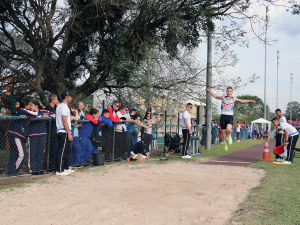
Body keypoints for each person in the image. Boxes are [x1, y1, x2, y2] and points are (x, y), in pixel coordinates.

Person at [7, 99, 38, 176]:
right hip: (15, 135)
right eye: (29, 105)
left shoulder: (21, 111)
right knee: (21, 154)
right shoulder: (21, 110)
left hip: (17, 135)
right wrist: (28, 114)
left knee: (14, 154)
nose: (30, 106)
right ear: (25, 105)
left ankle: (11, 170)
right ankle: (13, 171)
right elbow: (35, 114)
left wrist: (27, 115)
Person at [28, 100, 54, 174]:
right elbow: (32, 117)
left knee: (41, 152)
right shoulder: (30, 112)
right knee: (33, 152)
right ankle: (32, 170)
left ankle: (39, 169)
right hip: (33, 134)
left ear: (36, 105)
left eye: (32, 105)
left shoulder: (43, 111)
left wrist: (48, 116)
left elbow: (54, 115)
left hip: (43, 134)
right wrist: (42, 117)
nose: (30, 106)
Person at [55, 90, 75, 175]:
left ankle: (65, 168)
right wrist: (69, 133)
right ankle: (59, 170)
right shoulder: (63, 106)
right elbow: (64, 121)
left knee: (66, 150)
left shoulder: (61, 106)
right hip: (63, 131)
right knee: (62, 151)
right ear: (67, 96)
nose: (71, 98)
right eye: (71, 96)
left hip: (63, 131)